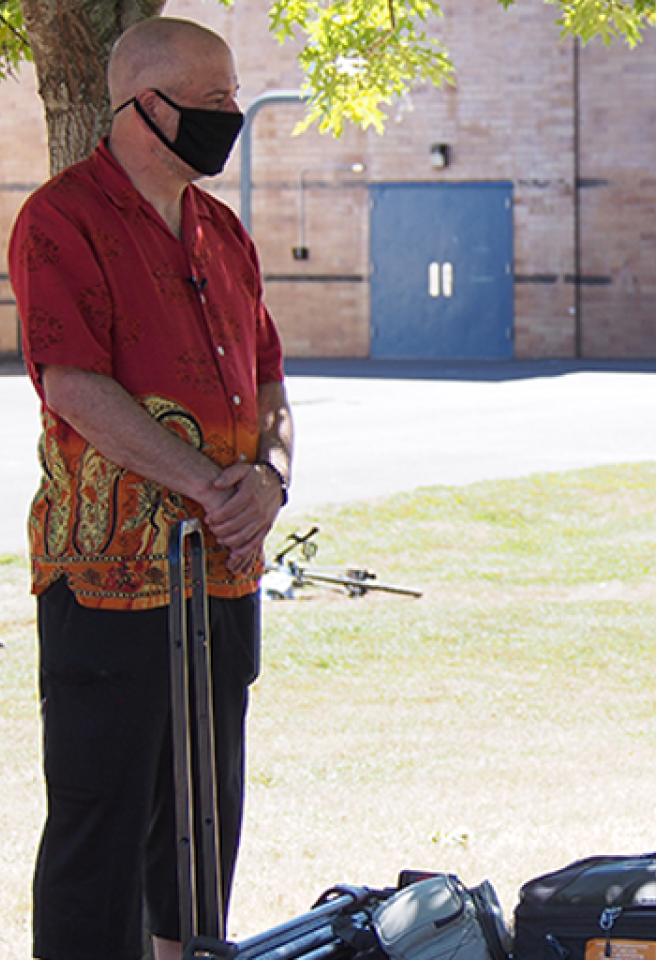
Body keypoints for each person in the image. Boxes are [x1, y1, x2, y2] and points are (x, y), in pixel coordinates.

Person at [7, 17, 292, 960]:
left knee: (206, 819)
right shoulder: (61, 219)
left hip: (223, 576)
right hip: (110, 580)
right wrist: (215, 486)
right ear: (144, 105)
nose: (232, 115)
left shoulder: (223, 232)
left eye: (232, 95)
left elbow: (269, 382)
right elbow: (76, 385)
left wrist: (269, 479)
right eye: (213, 101)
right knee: (104, 819)